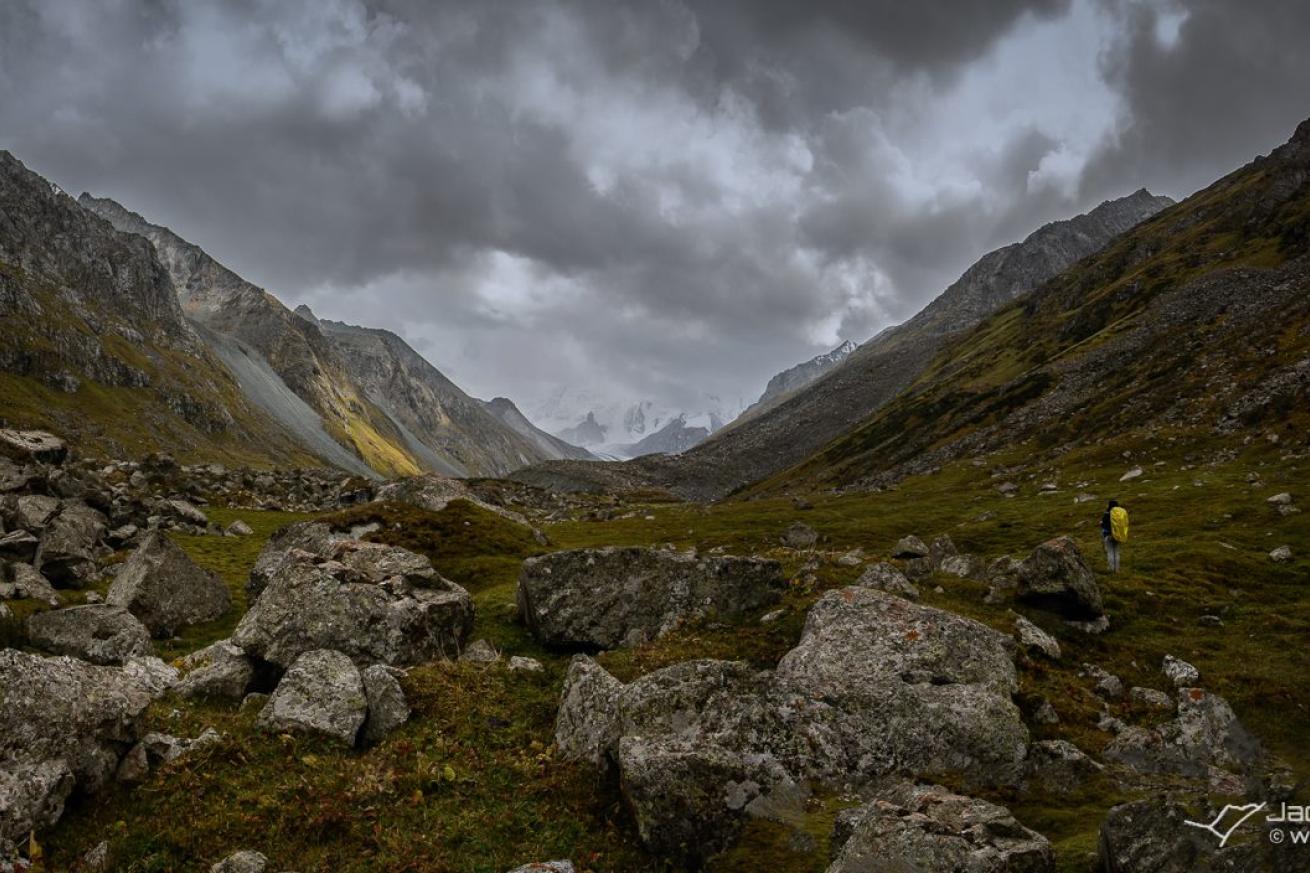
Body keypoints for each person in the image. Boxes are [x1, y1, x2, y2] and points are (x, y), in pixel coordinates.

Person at [1100, 499, 1127, 573]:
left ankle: (1111, 569)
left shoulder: (1107, 513)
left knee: (1110, 552)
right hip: (1117, 535)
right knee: (1116, 552)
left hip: (1108, 535)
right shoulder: (1119, 513)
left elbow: (1103, 524)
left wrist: (1101, 523)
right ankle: (1117, 569)